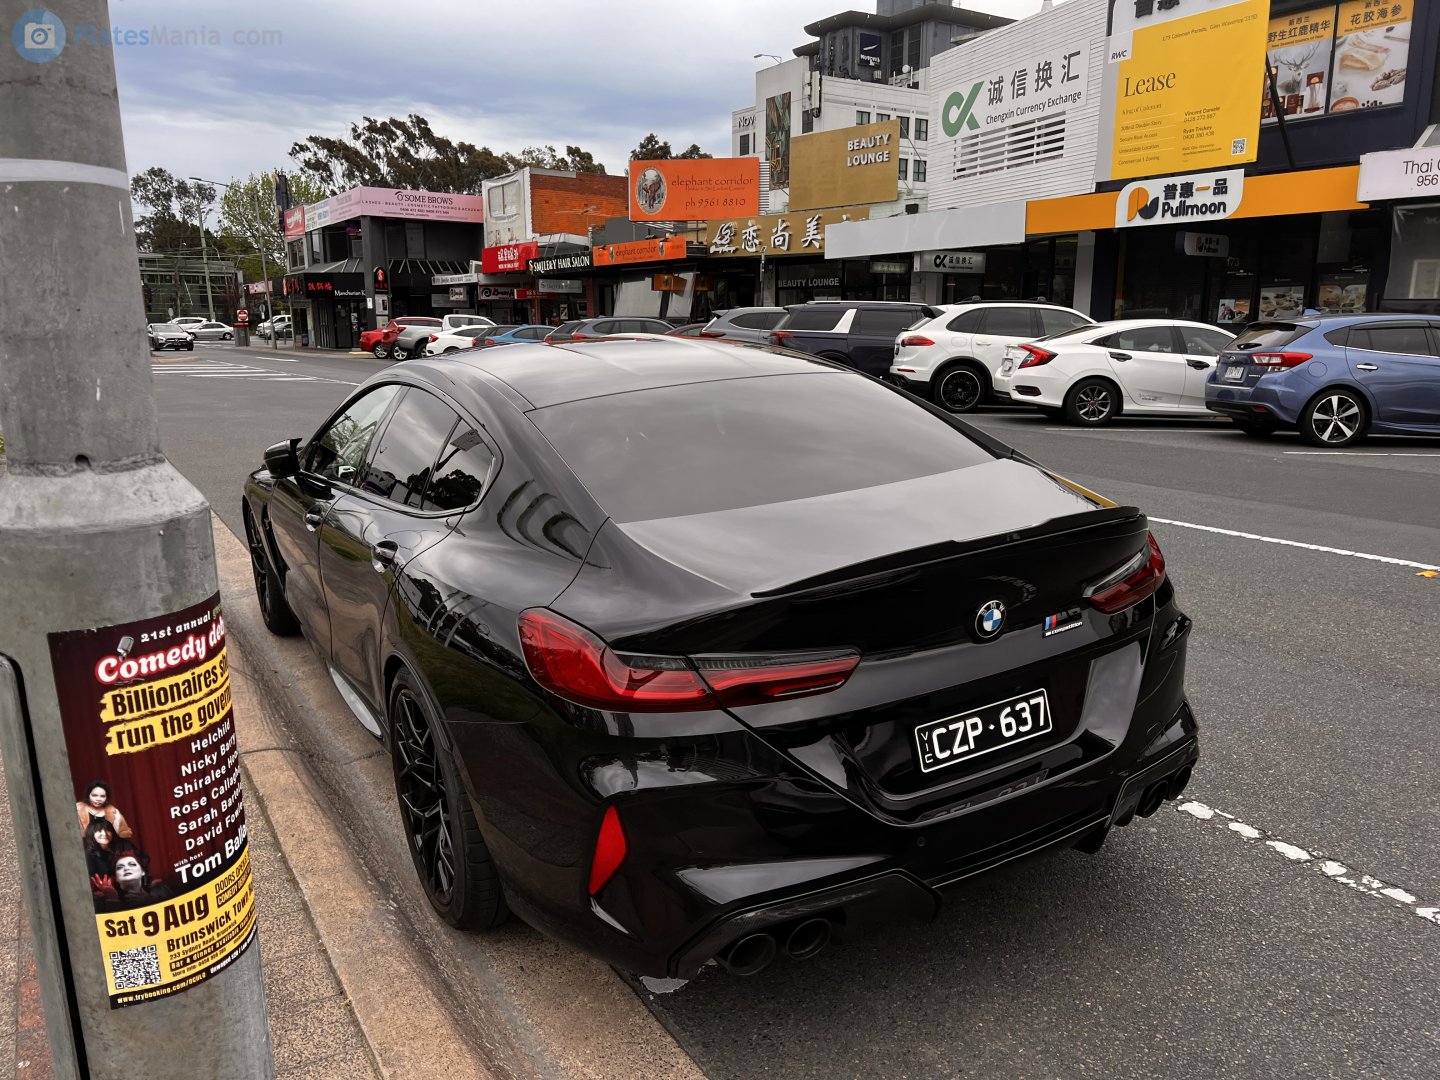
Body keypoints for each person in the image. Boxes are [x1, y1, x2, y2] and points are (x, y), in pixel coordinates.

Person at [93, 854, 171, 910]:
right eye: (120, 867)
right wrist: (113, 900)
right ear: (116, 877)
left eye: (132, 864)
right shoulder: (102, 900)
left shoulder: (162, 891)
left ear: (143, 872)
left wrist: (151, 900)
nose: (126, 868)